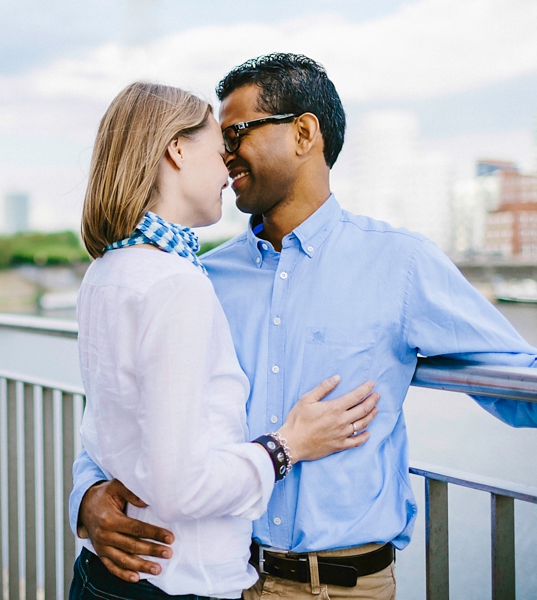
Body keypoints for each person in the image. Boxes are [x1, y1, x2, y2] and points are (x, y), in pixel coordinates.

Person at [71, 54, 537, 600]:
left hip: (343, 588)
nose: (224, 155)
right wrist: (89, 493)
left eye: (236, 132)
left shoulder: (401, 264)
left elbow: (518, 380)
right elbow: (120, 409)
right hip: (220, 576)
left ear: (303, 133)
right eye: (217, 139)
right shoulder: (199, 277)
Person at [70, 81, 380, 600]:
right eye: (219, 151)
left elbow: (107, 424)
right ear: (176, 149)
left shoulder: (106, 272)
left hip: (116, 577)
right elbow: (180, 483)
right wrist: (287, 447)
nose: (227, 170)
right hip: (179, 579)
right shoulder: (176, 283)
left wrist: (87, 494)